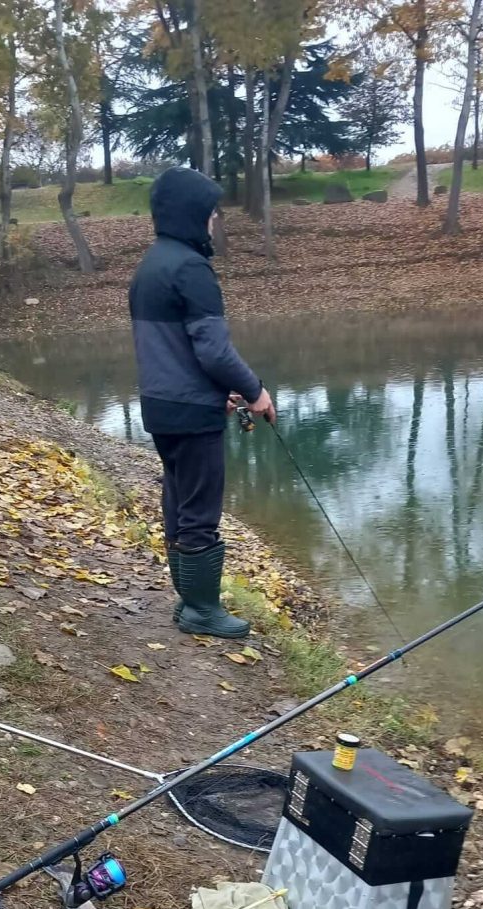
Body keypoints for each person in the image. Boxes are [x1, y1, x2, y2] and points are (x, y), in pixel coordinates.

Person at [129, 166, 275, 639]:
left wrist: (219, 390)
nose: (214, 221)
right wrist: (254, 390)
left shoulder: (151, 264)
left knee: (178, 500)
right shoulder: (191, 269)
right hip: (191, 414)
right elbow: (213, 349)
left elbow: (175, 351)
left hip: (161, 407)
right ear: (193, 214)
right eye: (211, 213)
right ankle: (201, 610)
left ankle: (189, 602)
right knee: (200, 509)